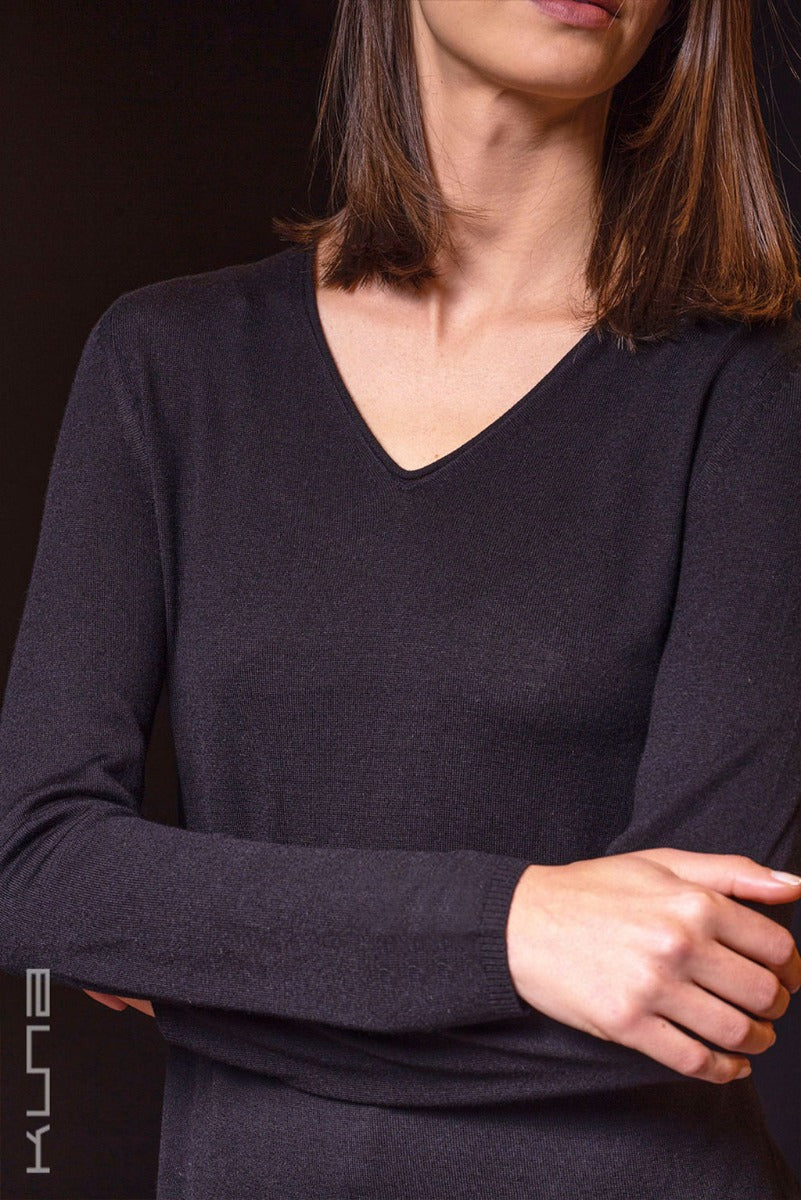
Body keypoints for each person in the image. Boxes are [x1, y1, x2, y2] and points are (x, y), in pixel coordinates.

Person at [1, 0, 801, 1196]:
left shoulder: (756, 401)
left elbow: (692, 983)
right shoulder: (166, 364)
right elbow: (39, 876)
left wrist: (201, 967)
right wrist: (514, 931)